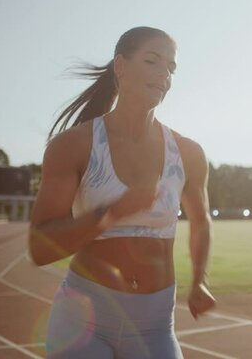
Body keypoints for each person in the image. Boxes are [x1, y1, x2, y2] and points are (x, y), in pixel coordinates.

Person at [28, 26, 216, 358]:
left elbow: (201, 222)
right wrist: (112, 213)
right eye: (152, 61)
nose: (164, 75)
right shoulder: (74, 146)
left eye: (170, 68)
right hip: (83, 321)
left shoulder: (188, 153)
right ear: (121, 66)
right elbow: (39, 248)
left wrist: (200, 279)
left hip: (155, 326)